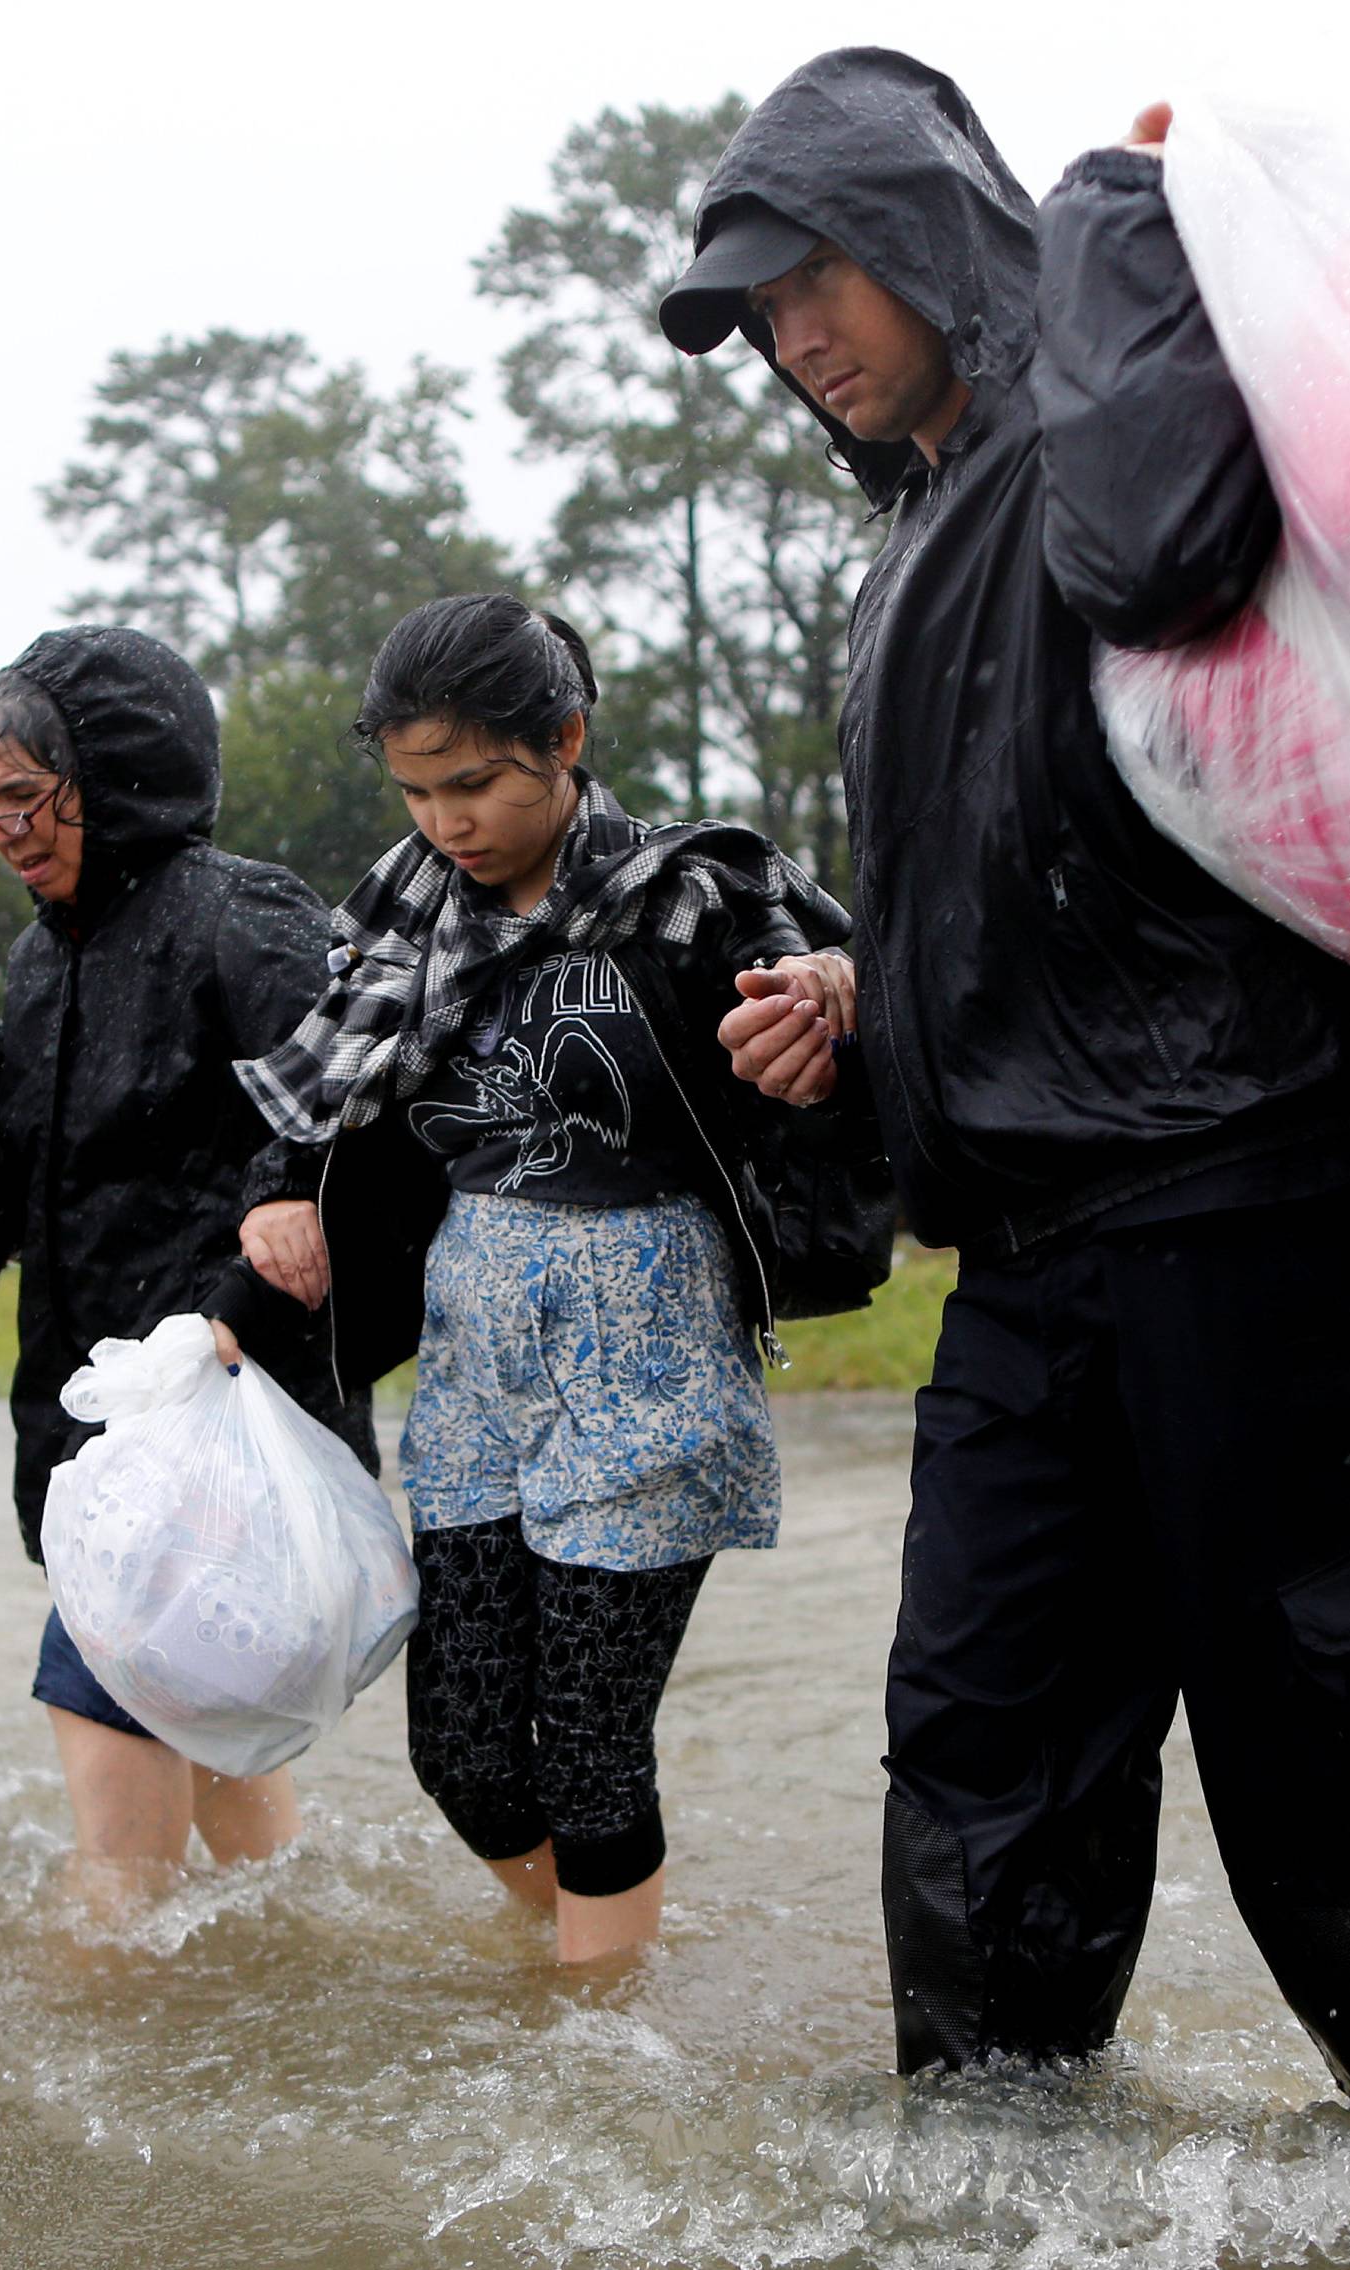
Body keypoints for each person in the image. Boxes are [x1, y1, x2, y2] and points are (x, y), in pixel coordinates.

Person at [661, 49, 1350, 2100]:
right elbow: (1049, 887)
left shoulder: (1126, 419)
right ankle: (988, 2227)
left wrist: (1105, 223)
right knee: (979, 1775)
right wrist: (862, 1004)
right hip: (1033, 1272)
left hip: (1274, 1212)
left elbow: (1163, 560)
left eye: (815, 277)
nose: (793, 338)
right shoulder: (909, 557)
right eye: (754, 315)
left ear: (920, 233)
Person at [233, 593, 858, 1961]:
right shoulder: (401, 905)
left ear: (565, 740)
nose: (447, 820)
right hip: (475, 1351)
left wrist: (828, 986)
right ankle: (606, 1945)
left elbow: (861, 973)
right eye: (416, 789)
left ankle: (599, 2030)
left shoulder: (695, 884)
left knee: (588, 1747)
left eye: (475, 782)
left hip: (650, 1331)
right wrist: (276, 1205)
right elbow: (319, 1104)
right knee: (462, 1753)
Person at [0, 626, 374, 1905]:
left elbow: (345, 1116)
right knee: (234, 1807)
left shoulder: (240, 913)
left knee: (113, 1843)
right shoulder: (42, 957)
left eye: (26, 800)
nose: (4, 832)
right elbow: (41, 1157)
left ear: (114, 775)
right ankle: (313, 1993)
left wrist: (233, 1308)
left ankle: (84, 2055)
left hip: (208, 1421)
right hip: (94, 1420)